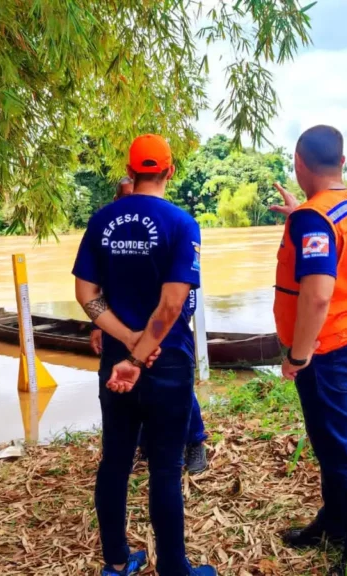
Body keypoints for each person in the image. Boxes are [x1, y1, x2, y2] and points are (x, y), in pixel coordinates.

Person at [73, 134, 215, 576]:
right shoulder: (181, 223)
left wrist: (127, 340)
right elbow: (173, 304)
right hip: (165, 359)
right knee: (166, 468)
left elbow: (86, 295)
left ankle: (116, 561)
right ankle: (174, 568)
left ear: (131, 171)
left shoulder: (101, 220)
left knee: (115, 460)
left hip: (116, 360)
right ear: (170, 171)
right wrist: (143, 350)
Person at [269, 125, 347, 574]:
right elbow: (330, 247)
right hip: (345, 333)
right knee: (327, 441)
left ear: (299, 161)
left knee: (339, 446)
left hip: (325, 347)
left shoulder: (316, 219)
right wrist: (302, 213)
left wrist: (298, 356)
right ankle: (336, 521)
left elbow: (317, 295)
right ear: (341, 160)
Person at [90, 178, 210, 475]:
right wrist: (96, 325)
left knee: (176, 390)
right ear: (119, 202)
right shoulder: (109, 233)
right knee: (128, 391)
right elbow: (96, 289)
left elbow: (182, 295)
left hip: (164, 334)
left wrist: (164, 328)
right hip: (121, 333)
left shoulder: (173, 225)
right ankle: (141, 445)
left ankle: (195, 441)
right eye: (129, 198)